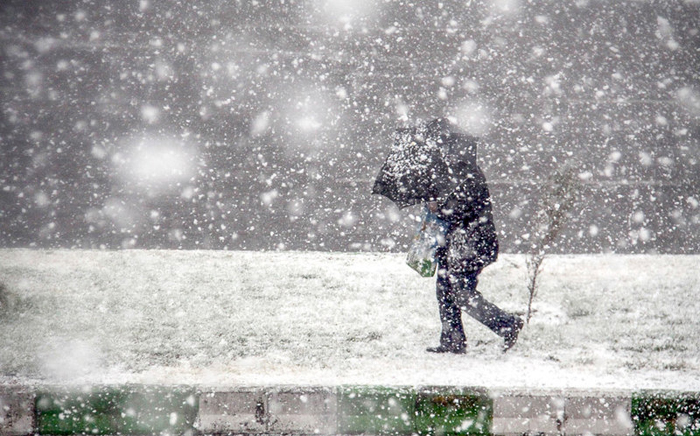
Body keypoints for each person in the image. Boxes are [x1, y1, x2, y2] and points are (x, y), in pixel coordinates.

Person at [422, 119, 524, 354]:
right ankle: (452, 340)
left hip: (473, 244)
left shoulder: (469, 176)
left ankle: (507, 324)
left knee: (461, 292)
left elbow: (462, 210)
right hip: (457, 244)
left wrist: (441, 207)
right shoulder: (449, 175)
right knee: (445, 288)